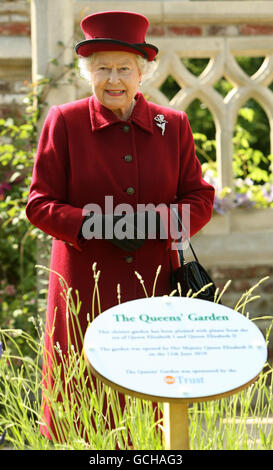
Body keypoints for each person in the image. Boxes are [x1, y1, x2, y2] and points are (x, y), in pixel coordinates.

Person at [25, 11, 215, 442]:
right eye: (102, 68)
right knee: (83, 408)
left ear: (142, 73)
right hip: (82, 296)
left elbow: (200, 199)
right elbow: (39, 204)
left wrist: (156, 222)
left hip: (154, 290)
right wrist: (95, 223)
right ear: (88, 73)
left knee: (151, 411)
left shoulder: (174, 126)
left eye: (124, 68)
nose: (114, 79)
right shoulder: (66, 122)